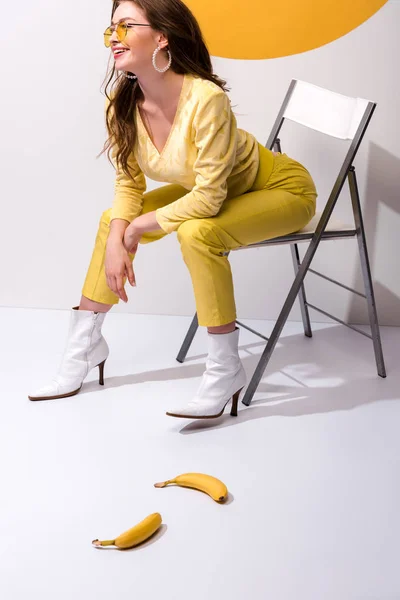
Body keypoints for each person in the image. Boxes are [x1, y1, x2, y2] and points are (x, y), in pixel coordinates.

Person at [28, 0, 317, 419]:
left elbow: (209, 200)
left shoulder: (206, 99)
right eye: (111, 28)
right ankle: (84, 347)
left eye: (126, 26)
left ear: (161, 36)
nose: (114, 36)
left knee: (196, 232)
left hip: (280, 189)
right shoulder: (122, 105)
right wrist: (118, 235)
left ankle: (225, 368)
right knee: (115, 220)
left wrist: (138, 227)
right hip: (216, 192)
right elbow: (129, 185)